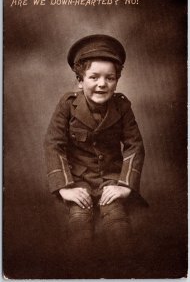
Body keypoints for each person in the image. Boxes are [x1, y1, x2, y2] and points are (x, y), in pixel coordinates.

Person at [44, 34, 146, 276]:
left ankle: (128, 274)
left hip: (111, 180)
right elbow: (53, 144)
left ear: (117, 81)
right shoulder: (67, 105)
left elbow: (134, 145)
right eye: (94, 77)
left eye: (110, 78)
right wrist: (65, 187)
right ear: (80, 81)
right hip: (78, 181)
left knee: (119, 226)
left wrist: (125, 186)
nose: (102, 84)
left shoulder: (122, 107)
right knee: (79, 226)